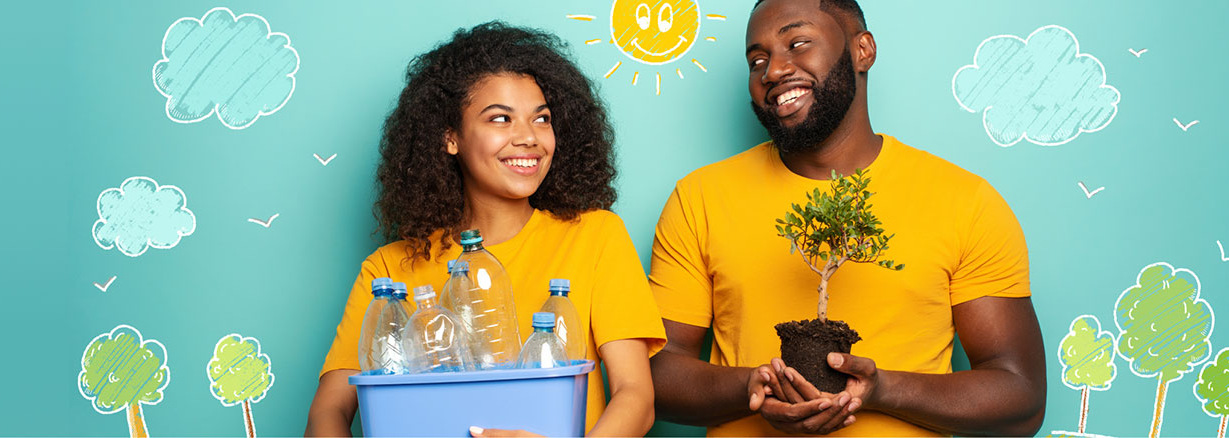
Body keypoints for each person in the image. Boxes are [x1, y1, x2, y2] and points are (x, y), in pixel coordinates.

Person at [646, 0, 1047, 436]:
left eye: (797, 43)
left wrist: (882, 390)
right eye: (757, 60)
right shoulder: (700, 198)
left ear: (863, 51)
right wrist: (755, 387)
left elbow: (1020, 398)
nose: (773, 71)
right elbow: (657, 377)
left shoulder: (965, 201)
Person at [304, 22, 666, 438]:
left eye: (541, 118)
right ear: (450, 138)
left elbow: (635, 396)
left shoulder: (596, 236)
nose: (528, 137)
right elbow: (326, 413)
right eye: (500, 119)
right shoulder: (388, 269)